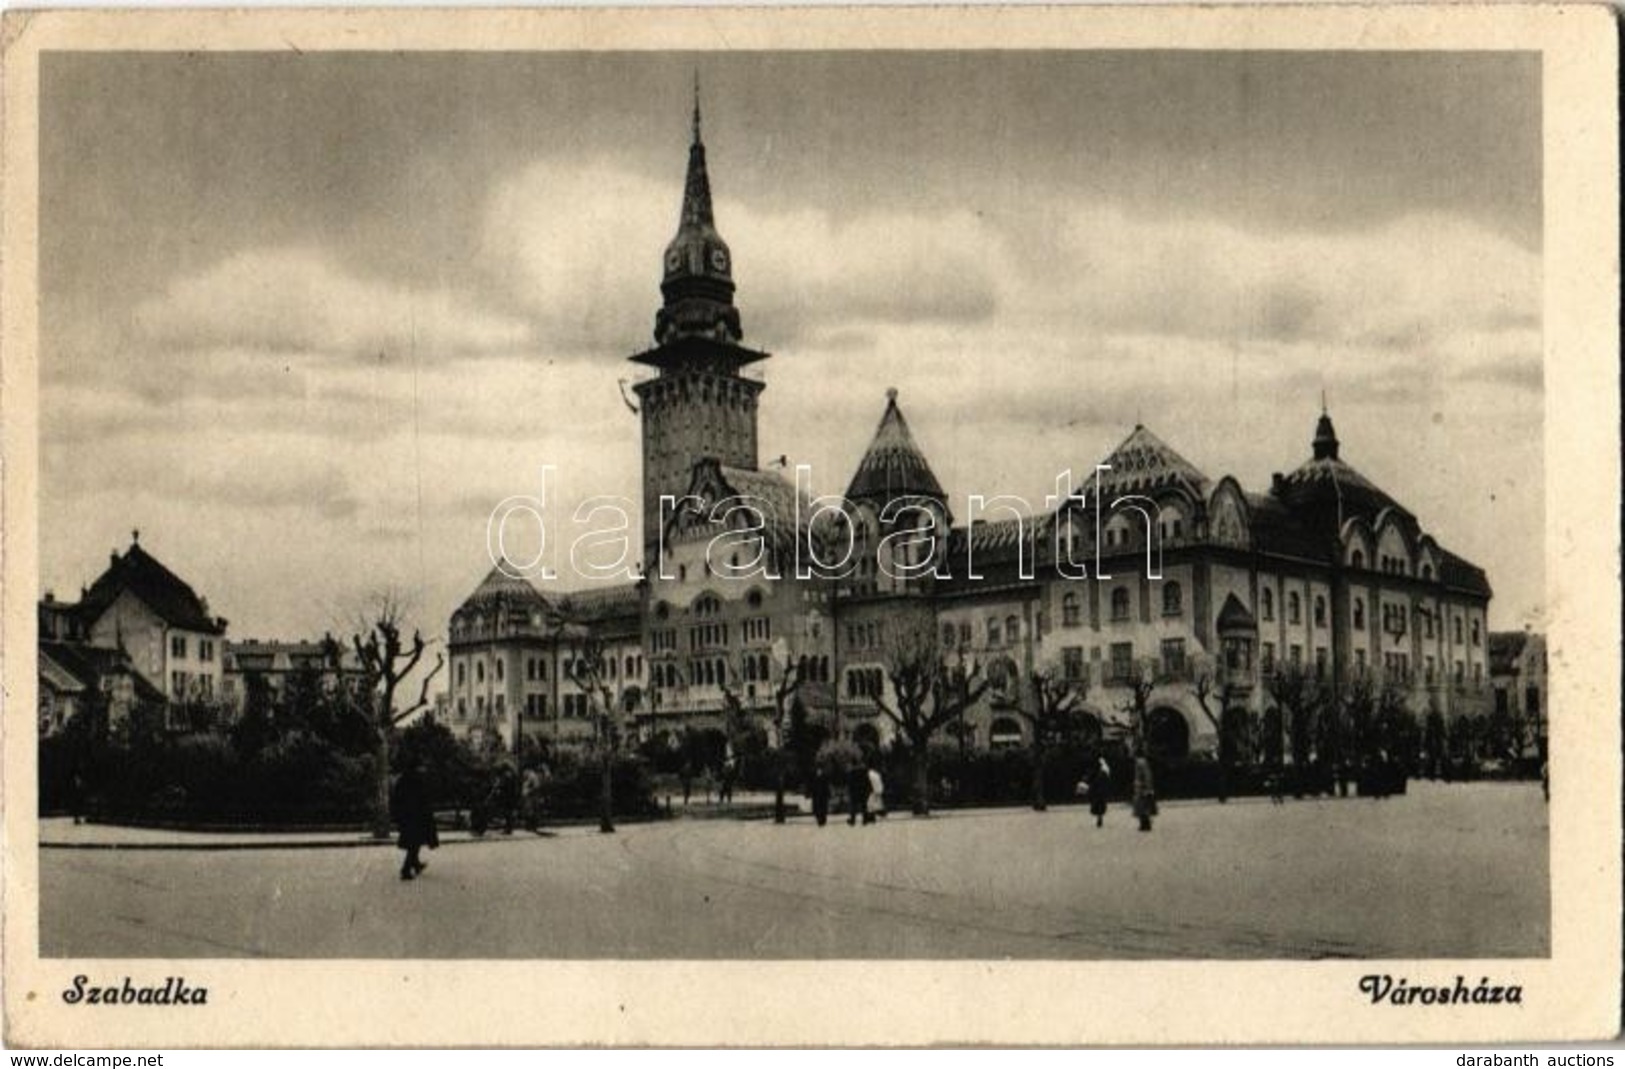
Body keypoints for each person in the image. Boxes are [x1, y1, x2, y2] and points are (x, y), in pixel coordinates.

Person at [390, 757, 438, 881]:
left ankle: (415, 864)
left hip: (407, 817)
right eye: (422, 766)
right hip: (415, 817)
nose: (424, 769)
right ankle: (405, 869)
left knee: (415, 841)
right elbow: (423, 799)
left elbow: (397, 798)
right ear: (417, 767)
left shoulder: (404, 779)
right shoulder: (417, 780)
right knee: (414, 843)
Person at [1132, 751, 1156, 833]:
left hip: (1142, 787)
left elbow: (1146, 775)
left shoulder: (1140, 762)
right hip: (1141, 787)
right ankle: (1144, 824)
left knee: (1142, 806)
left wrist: (1147, 788)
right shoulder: (1142, 762)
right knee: (1142, 806)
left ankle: (1145, 824)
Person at [1086, 755, 1112, 828]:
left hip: (1098, 789)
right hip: (1100, 790)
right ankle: (1099, 817)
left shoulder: (1101, 771)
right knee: (1099, 804)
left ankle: (1099, 817)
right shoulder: (1103, 770)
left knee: (1098, 804)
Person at [846, 761, 869, 826]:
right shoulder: (863, 771)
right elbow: (866, 781)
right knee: (864, 805)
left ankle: (853, 820)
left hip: (854, 791)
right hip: (862, 790)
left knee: (853, 806)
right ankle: (865, 820)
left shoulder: (851, 772)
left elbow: (849, 782)